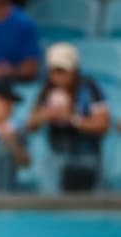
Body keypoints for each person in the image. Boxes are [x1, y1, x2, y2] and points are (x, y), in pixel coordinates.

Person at [26, 43, 110, 192]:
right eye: (54, 71)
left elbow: (102, 124)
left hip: (87, 157)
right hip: (56, 157)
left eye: (63, 71)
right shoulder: (46, 90)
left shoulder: (90, 88)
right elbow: (30, 125)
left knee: (88, 207)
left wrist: (72, 119)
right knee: (52, 204)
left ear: (74, 70)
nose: (58, 76)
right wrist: (45, 115)